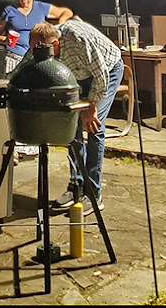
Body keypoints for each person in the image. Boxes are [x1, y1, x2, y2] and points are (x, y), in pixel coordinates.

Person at [28, 18, 124, 216]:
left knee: (94, 126)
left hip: (108, 70)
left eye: (39, 50)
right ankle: (76, 188)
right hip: (80, 77)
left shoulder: (77, 39)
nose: (36, 54)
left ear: (54, 44)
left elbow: (101, 76)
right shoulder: (43, 44)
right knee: (72, 127)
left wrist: (91, 106)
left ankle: (94, 194)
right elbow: (26, 64)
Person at [0, 0, 73, 75]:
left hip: (37, 57)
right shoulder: (10, 10)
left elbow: (67, 12)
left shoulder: (41, 7)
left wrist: (60, 25)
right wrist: (4, 40)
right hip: (13, 57)